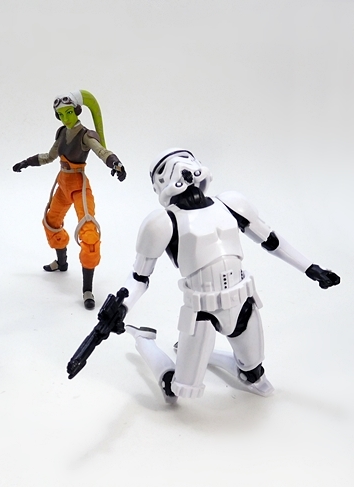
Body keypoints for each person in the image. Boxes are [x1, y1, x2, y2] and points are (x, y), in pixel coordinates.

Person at [89, 148, 340, 403]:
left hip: (243, 302)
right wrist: (121, 307)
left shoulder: (231, 204)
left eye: (185, 160)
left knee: (253, 375)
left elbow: (271, 241)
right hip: (202, 311)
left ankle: (205, 355)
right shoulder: (162, 222)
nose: (182, 170)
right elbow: (139, 278)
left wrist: (311, 268)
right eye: (169, 166)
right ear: (160, 182)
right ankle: (144, 340)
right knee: (176, 391)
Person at [13, 90, 126, 309]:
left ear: (76, 111)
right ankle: (62, 262)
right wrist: (26, 162)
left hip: (79, 186)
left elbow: (101, 151)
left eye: (68, 113)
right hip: (63, 184)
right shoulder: (62, 133)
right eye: (61, 114)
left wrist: (115, 163)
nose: (65, 118)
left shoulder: (86, 135)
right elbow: (49, 156)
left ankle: (87, 290)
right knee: (51, 220)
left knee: (89, 232)